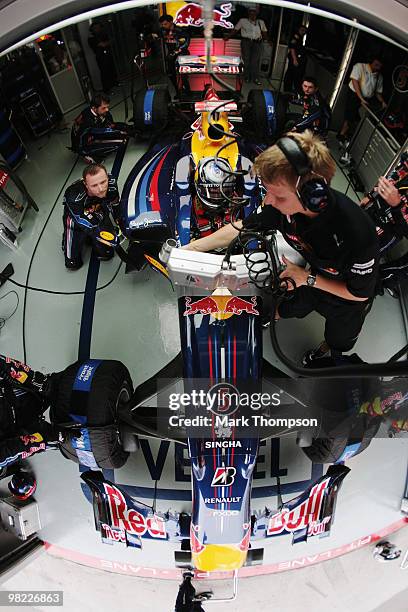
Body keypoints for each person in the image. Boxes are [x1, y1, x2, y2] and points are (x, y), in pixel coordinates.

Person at [184, 130, 380, 366]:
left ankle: (325, 351)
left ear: (313, 196)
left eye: (278, 196)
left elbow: (359, 293)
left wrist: (307, 278)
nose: (268, 203)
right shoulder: (281, 208)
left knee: (338, 340)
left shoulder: (358, 235)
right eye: (267, 192)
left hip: (346, 298)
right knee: (286, 307)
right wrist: (192, 248)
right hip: (310, 276)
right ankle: (272, 316)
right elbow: (241, 226)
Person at [0, 354, 61, 473]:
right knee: (66, 438)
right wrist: (43, 440)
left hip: (20, 393)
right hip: (23, 432)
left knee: (59, 384)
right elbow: (7, 452)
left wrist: (34, 379)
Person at [360, 151, 408, 296]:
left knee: (365, 260)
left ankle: (367, 285)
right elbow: (397, 172)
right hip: (377, 208)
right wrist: (371, 196)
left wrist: (397, 205)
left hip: (392, 228)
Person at [62, 163, 120, 270]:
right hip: (76, 219)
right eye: (94, 185)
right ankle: (68, 241)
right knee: (72, 263)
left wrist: (119, 220)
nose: (101, 189)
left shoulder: (112, 183)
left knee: (107, 254)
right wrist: (98, 231)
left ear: (107, 177)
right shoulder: (73, 195)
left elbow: (114, 203)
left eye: (103, 182)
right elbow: (79, 218)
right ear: (85, 184)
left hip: (98, 211)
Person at [338, 57, 387, 144]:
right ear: (371, 62)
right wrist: (360, 98)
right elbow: (354, 81)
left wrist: (382, 101)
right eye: (376, 65)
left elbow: (378, 92)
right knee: (350, 115)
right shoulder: (360, 67)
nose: (377, 67)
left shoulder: (379, 76)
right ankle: (341, 134)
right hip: (354, 94)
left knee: (359, 118)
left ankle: (349, 136)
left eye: (379, 66)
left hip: (367, 99)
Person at [70, 93, 128, 164]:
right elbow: (103, 131)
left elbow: (111, 123)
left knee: (123, 130)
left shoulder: (98, 111)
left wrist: (123, 128)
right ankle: (90, 156)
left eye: (107, 107)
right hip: (84, 145)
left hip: (95, 134)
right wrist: (119, 132)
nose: (107, 109)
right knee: (121, 142)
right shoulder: (87, 120)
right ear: (94, 108)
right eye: (104, 108)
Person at [225, 7, 269, 85]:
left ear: (256, 13)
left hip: (257, 43)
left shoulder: (260, 22)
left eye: (254, 12)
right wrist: (228, 36)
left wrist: (268, 41)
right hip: (246, 42)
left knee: (255, 62)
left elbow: (264, 33)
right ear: (248, 13)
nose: (252, 14)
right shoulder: (243, 21)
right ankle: (247, 77)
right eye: (251, 12)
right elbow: (235, 30)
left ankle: (255, 78)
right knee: (246, 60)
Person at [158, 14, 190, 93]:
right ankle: (177, 92)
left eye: (165, 24)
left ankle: (187, 92)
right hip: (171, 56)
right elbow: (156, 35)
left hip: (182, 54)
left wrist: (176, 51)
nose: (163, 26)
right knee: (171, 74)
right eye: (162, 24)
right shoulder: (163, 31)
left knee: (183, 76)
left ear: (171, 22)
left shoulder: (180, 30)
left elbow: (186, 42)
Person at [88, 22, 118, 93]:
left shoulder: (103, 34)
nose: (98, 29)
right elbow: (103, 44)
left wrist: (108, 42)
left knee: (112, 69)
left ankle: (114, 83)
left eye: (99, 27)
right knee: (104, 73)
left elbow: (111, 41)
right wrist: (107, 42)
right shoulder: (91, 38)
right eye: (96, 28)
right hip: (100, 56)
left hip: (108, 54)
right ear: (92, 29)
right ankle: (107, 89)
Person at [283, 25, 308, 94]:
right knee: (291, 74)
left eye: (305, 31)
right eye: (302, 30)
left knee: (293, 74)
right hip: (295, 58)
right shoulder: (296, 36)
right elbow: (292, 48)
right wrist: (294, 59)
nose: (303, 32)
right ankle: (287, 89)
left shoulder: (300, 37)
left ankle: (289, 89)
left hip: (297, 58)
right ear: (299, 29)